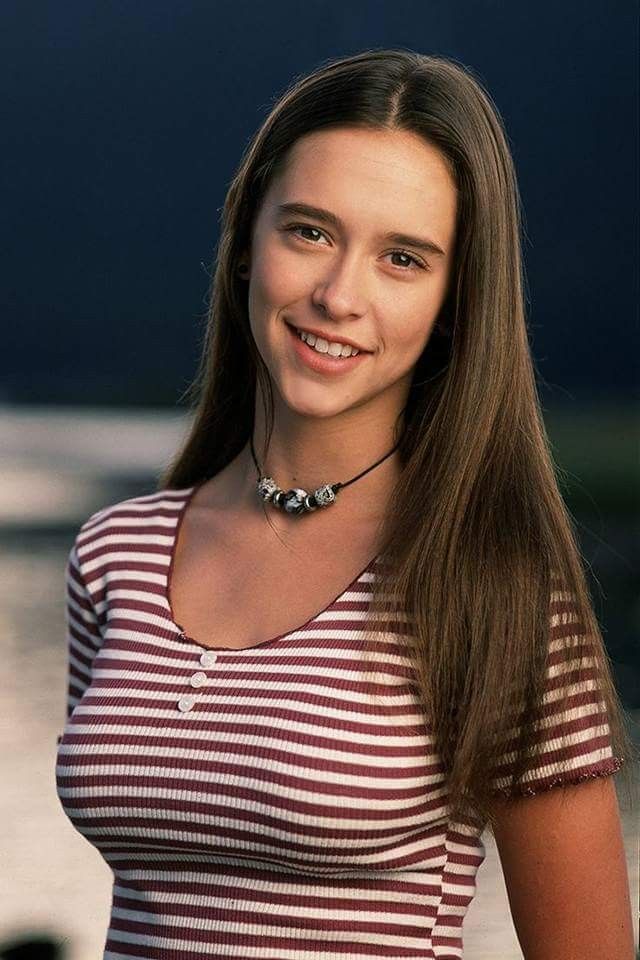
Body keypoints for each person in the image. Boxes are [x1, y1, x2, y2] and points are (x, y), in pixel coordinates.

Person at [55, 49, 636, 959]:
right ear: (247, 240)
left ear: (454, 301)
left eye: (403, 258)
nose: (339, 296)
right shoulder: (114, 553)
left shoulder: (492, 589)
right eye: (311, 232)